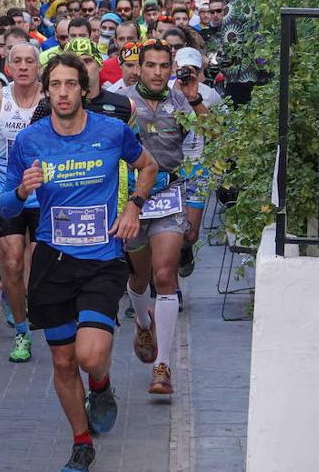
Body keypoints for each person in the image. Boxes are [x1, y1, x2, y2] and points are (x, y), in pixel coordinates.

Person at [0, 54, 158, 472]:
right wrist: (20, 192)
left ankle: (101, 386)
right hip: (53, 261)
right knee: (63, 361)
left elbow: (148, 167)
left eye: (71, 84)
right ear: (47, 92)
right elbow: (3, 203)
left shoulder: (112, 131)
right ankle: (81, 441)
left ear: (83, 90)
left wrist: (133, 208)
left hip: (102, 260)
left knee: (89, 356)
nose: (64, 92)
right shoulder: (30, 140)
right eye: (56, 86)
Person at [122, 40, 208, 396]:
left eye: (163, 65)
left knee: (164, 274)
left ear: (172, 67)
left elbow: (213, 138)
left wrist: (196, 99)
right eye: (151, 65)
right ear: (139, 67)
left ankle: (163, 365)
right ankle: (144, 322)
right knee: (140, 278)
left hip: (170, 197)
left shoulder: (182, 102)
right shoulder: (122, 100)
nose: (157, 72)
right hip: (132, 202)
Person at [0, 40, 43, 363]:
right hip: (9, 192)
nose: (22, 67)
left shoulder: (50, 97)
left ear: (37, 67)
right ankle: (21, 330)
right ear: (8, 68)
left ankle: (36, 309)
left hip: (46, 195)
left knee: (39, 269)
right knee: (13, 263)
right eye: (16, 61)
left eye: (28, 62)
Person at [173, 47, 222, 278]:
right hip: (169, 168)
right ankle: (168, 286)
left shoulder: (209, 95)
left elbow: (217, 133)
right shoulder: (164, 92)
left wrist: (194, 99)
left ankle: (185, 249)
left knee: (189, 234)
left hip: (197, 167)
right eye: (182, 69)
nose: (186, 73)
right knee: (168, 231)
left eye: (191, 70)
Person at [98, 22, 140, 86]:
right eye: (121, 39)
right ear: (115, 42)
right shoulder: (103, 67)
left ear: (139, 40)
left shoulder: (148, 66)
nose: (126, 43)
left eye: (130, 38)